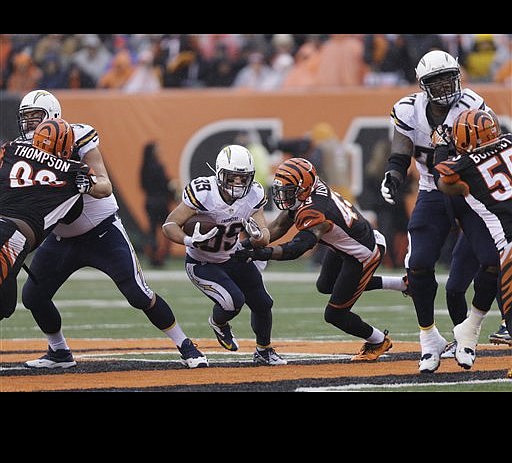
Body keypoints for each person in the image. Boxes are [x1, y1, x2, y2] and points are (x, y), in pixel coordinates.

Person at [19, 89, 208, 370]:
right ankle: (59, 352)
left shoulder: (78, 137)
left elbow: (105, 185)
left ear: (54, 114)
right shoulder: (23, 152)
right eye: (26, 118)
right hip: (62, 237)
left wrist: (84, 183)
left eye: (37, 117)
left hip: (102, 232)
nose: (31, 124)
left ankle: (186, 345)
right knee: (33, 296)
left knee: (138, 294)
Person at [380, 50, 501, 374]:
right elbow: (400, 150)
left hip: (469, 191)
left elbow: (493, 145)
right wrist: (393, 174)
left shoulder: (473, 104)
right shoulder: (409, 109)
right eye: (438, 80)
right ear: (423, 85)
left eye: (450, 77)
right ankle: (429, 337)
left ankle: (470, 330)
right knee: (418, 264)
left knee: (493, 260)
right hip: (434, 190)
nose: (446, 85)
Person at [231, 157, 408, 361]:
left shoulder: (315, 209)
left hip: (362, 255)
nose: (282, 196)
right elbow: (279, 226)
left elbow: (297, 248)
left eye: (288, 190)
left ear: (302, 188)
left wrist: (263, 253)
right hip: (346, 245)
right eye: (281, 189)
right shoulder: (309, 191)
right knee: (325, 285)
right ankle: (403, 285)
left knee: (335, 314)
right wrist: (246, 245)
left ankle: (378, 341)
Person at [161, 144, 287, 366]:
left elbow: (264, 235)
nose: (238, 183)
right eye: (232, 177)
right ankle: (219, 323)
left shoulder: (254, 193)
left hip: (232, 255)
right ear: (219, 174)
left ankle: (264, 350)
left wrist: (258, 235)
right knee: (232, 302)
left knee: (263, 302)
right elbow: (170, 224)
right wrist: (189, 240)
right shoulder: (203, 192)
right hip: (202, 262)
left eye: (243, 177)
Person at [434, 108, 512, 377]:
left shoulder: (463, 164)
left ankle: (468, 331)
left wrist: (442, 152)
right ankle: (468, 332)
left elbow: (445, 181)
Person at [0, 118, 88, 318]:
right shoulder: (72, 171)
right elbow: (102, 188)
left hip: (9, 230)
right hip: (12, 236)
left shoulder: (12, 149)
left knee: (5, 306)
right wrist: (87, 184)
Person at [140, 140, 177, 267]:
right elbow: (165, 185)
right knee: (167, 228)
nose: (159, 151)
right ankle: (160, 257)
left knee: (152, 230)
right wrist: (171, 191)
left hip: (150, 201)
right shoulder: (158, 166)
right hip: (160, 202)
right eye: (157, 149)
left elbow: (143, 186)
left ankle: (153, 256)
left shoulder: (144, 167)